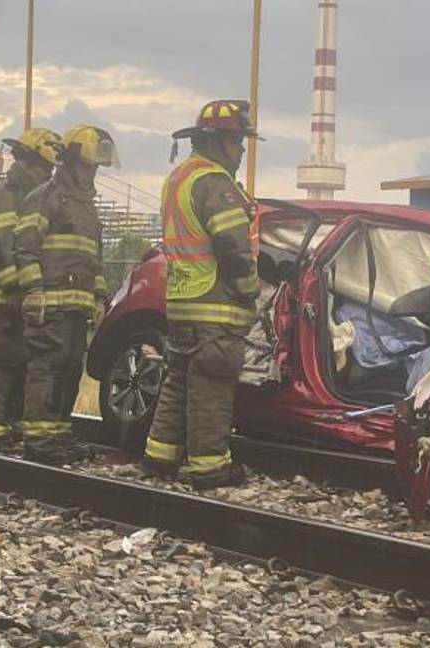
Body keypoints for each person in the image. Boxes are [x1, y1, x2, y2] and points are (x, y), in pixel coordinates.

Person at [141, 100, 261, 490]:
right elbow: (232, 245)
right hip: (215, 306)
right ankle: (210, 468)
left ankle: (160, 457)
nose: (242, 150)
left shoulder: (179, 178)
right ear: (219, 142)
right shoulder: (214, 182)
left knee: (178, 381)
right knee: (212, 386)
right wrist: (248, 292)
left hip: (181, 301)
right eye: (238, 141)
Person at [15, 125, 117, 463]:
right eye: (88, 166)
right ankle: (38, 441)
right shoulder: (45, 197)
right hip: (50, 306)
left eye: (96, 168)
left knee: (70, 369)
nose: (93, 174)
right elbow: (25, 249)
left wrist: (100, 298)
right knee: (47, 368)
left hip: (76, 309)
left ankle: (57, 435)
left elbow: (93, 259)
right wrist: (34, 291)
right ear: (70, 163)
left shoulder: (86, 208)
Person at [0, 128, 61, 452]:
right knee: (3, 364)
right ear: (26, 161)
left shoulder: (29, 196)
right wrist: (15, 286)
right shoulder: (5, 193)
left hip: (18, 296)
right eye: (44, 168)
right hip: (2, 298)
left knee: (22, 361)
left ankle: (10, 426)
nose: (47, 175)